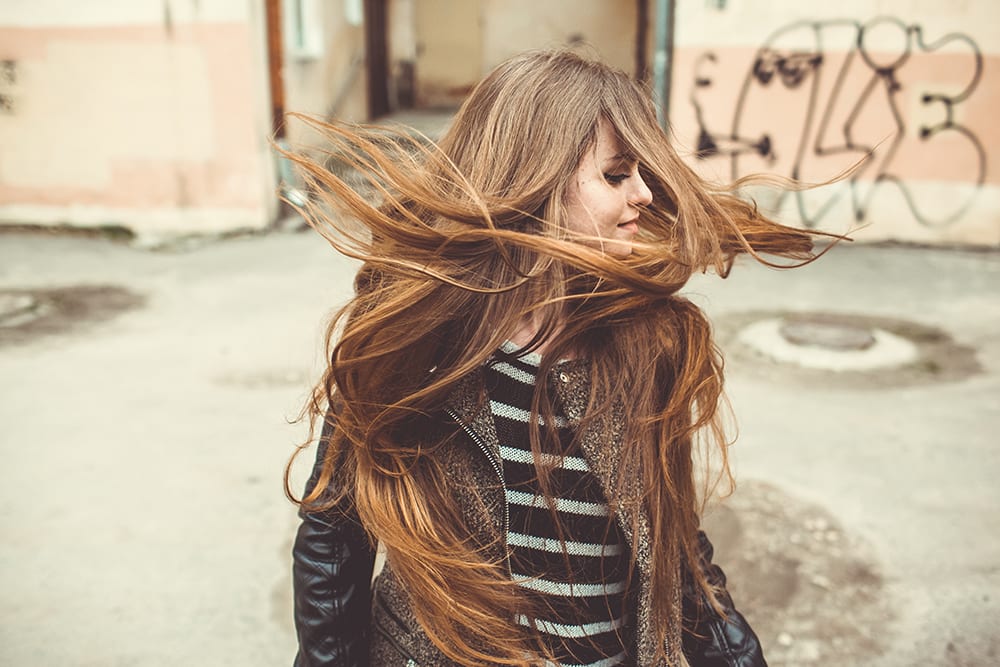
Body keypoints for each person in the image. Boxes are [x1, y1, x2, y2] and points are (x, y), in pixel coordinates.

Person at [287, 49, 819, 667]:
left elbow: (674, 548)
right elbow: (334, 535)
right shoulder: (415, 336)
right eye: (616, 176)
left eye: (642, 174)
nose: (644, 194)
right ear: (533, 181)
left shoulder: (645, 344)